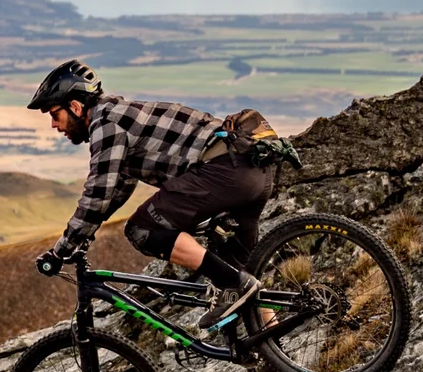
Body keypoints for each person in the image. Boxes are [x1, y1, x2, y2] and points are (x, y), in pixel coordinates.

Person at [28, 59, 276, 327]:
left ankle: (235, 284)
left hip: (226, 173)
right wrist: (83, 236)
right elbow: (117, 188)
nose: (54, 125)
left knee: (141, 229)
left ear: (75, 107)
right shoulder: (120, 114)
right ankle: (273, 354)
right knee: (237, 279)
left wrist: (61, 250)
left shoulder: (107, 122)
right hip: (255, 173)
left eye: (55, 114)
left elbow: (97, 194)